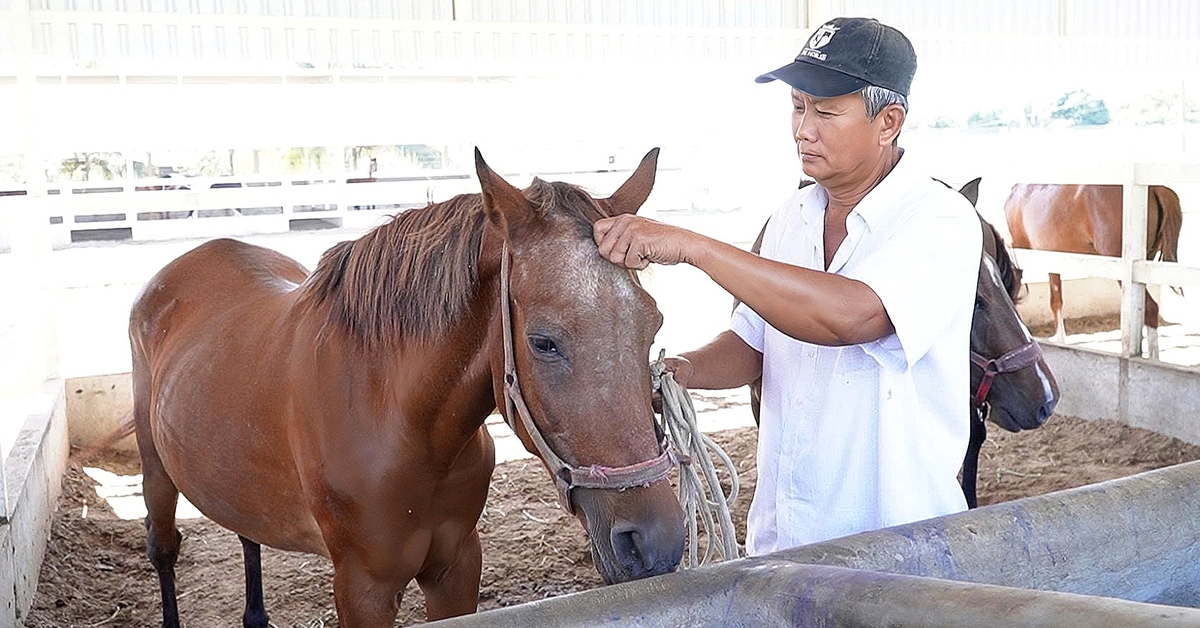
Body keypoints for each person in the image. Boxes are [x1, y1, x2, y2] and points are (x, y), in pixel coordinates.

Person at [593, 17, 981, 554]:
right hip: (785, 539)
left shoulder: (938, 219)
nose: (804, 128)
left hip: (894, 543)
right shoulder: (789, 219)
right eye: (798, 107)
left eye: (825, 111)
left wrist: (695, 247)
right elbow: (754, 343)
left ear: (889, 121)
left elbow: (852, 317)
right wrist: (684, 372)